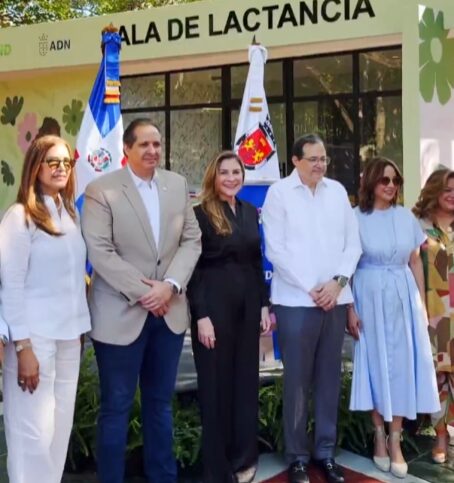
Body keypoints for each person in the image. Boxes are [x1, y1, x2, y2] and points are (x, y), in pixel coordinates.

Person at [81, 118, 201, 483]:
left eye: (157, 144)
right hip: (120, 313)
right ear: (127, 150)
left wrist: (171, 286)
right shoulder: (101, 190)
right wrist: (148, 293)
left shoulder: (177, 185)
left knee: (160, 406)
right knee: (116, 409)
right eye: (144, 145)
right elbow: (100, 251)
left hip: (169, 313)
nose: (153, 151)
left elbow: (191, 241)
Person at [262, 134, 362, 483]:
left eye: (324, 158)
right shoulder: (279, 194)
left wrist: (337, 283)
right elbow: (276, 250)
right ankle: (298, 457)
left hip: (335, 300)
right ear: (295, 160)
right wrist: (313, 288)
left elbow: (353, 244)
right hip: (295, 302)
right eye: (313, 159)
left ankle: (325, 452)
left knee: (328, 380)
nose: (320, 164)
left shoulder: (336, 192)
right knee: (297, 381)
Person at [0, 135, 91, 483]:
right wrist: (22, 347)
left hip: (69, 336)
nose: (61, 169)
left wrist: (79, 328)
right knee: (32, 437)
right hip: (34, 340)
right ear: (35, 167)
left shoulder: (69, 212)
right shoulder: (19, 217)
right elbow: (12, 286)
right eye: (53, 162)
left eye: (66, 163)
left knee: (58, 433)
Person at [348, 157, 439, 478]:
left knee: (400, 366)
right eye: (384, 180)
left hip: (403, 296)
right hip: (368, 294)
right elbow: (346, 266)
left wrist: (422, 306)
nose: (390, 186)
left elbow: (415, 262)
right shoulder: (354, 217)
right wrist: (349, 308)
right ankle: (378, 436)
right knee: (374, 364)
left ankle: (396, 438)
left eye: (395, 181)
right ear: (371, 183)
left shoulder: (405, 218)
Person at [188, 151, 272, 483]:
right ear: (214, 176)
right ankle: (218, 468)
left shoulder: (250, 211)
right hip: (214, 309)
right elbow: (193, 269)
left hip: (248, 308)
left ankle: (243, 458)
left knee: (244, 384)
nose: (231, 178)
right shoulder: (199, 214)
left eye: (236, 172)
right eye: (224, 172)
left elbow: (256, 261)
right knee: (215, 387)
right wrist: (201, 315)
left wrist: (264, 305)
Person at [413, 168, 454, 464]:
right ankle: (441, 435)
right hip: (435, 315)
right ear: (434, 191)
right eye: (446, 189)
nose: (451, 194)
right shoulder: (418, 226)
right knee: (438, 375)